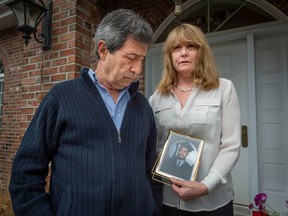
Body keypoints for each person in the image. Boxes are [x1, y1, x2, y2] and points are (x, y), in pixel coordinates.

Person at [9, 9, 162, 216]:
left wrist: (153, 207)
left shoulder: (142, 106)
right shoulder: (61, 98)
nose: (137, 69)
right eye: (131, 57)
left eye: (141, 59)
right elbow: (25, 176)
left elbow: (150, 170)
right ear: (103, 50)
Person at [149, 23, 241, 216]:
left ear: (202, 52)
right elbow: (153, 146)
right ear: (170, 56)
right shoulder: (157, 97)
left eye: (191, 46)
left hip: (213, 200)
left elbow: (231, 146)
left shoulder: (224, 89)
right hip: (168, 200)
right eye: (176, 48)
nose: (183, 53)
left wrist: (206, 185)